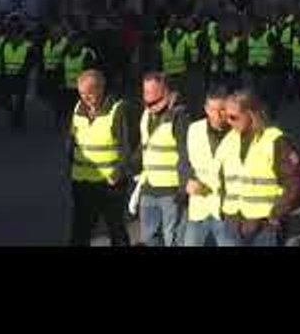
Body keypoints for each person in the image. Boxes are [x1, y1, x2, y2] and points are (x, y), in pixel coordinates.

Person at [216, 90, 300, 247]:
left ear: (251, 114)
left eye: (234, 117)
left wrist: (276, 214)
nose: (229, 122)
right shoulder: (229, 140)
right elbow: (222, 179)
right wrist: (224, 210)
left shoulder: (275, 140)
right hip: (233, 223)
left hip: (265, 226)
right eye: (226, 117)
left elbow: (297, 182)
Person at [69, 69, 132, 247]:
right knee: (79, 232)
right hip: (82, 183)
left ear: (101, 88)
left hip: (110, 185)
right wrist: (71, 173)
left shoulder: (117, 110)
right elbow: (72, 144)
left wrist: (119, 173)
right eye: (81, 94)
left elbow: (127, 147)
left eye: (90, 93)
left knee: (116, 231)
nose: (85, 98)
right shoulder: (77, 109)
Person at [136, 72, 192, 247]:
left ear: (167, 94)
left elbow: (186, 155)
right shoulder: (146, 115)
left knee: (173, 238)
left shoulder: (180, 118)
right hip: (148, 187)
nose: (148, 104)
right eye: (145, 97)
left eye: (153, 100)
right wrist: (124, 169)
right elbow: (144, 147)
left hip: (171, 191)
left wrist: (183, 188)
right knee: (148, 237)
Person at [184, 89, 233, 247]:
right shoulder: (194, 129)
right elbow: (184, 161)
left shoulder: (237, 132)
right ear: (205, 109)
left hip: (226, 210)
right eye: (212, 110)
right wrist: (187, 180)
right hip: (200, 205)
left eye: (222, 110)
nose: (217, 115)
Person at [2, 23, 34, 131]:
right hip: (8, 77)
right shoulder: (5, 45)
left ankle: (18, 122)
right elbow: (2, 60)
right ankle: (13, 117)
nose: (14, 37)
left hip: (21, 78)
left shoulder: (28, 46)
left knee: (20, 101)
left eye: (17, 34)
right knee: (7, 100)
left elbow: (31, 62)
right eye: (12, 34)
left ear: (21, 35)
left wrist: (24, 72)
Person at [42, 24, 70, 126]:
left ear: (61, 33)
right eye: (53, 32)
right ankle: (57, 113)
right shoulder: (47, 43)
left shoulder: (65, 43)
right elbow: (44, 58)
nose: (54, 34)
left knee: (59, 96)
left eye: (57, 32)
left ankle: (59, 117)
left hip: (60, 73)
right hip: (48, 72)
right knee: (50, 96)